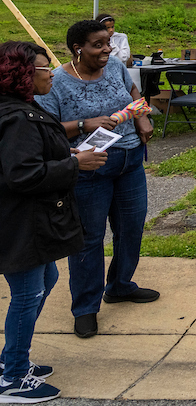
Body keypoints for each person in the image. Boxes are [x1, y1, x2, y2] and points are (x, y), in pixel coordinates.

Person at [1, 41, 107, 402]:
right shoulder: (16, 117)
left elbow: (32, 156)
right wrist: (76, 164)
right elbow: (22, 174)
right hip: (21, 224)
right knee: (28, 293)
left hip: (28, 222)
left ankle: (13, 361)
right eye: (46, 68)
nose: (52, 73)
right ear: (24, 75)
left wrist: (67, 152)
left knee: (46, 279)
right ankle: (12, 378)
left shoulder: (22, 110)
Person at [37, 20, 157, 340]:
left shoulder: (116, 65)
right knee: (90, 239)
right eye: (99, 45)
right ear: (78, 48)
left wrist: (142, 116)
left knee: (130, 229)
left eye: (108, 42)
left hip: (129, 160)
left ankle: (119, 286)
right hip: (89, 169)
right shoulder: (57, 82)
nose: (108, 49)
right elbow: (45, 130)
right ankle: (85, 307)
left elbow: (134, 94)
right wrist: (82, 123)